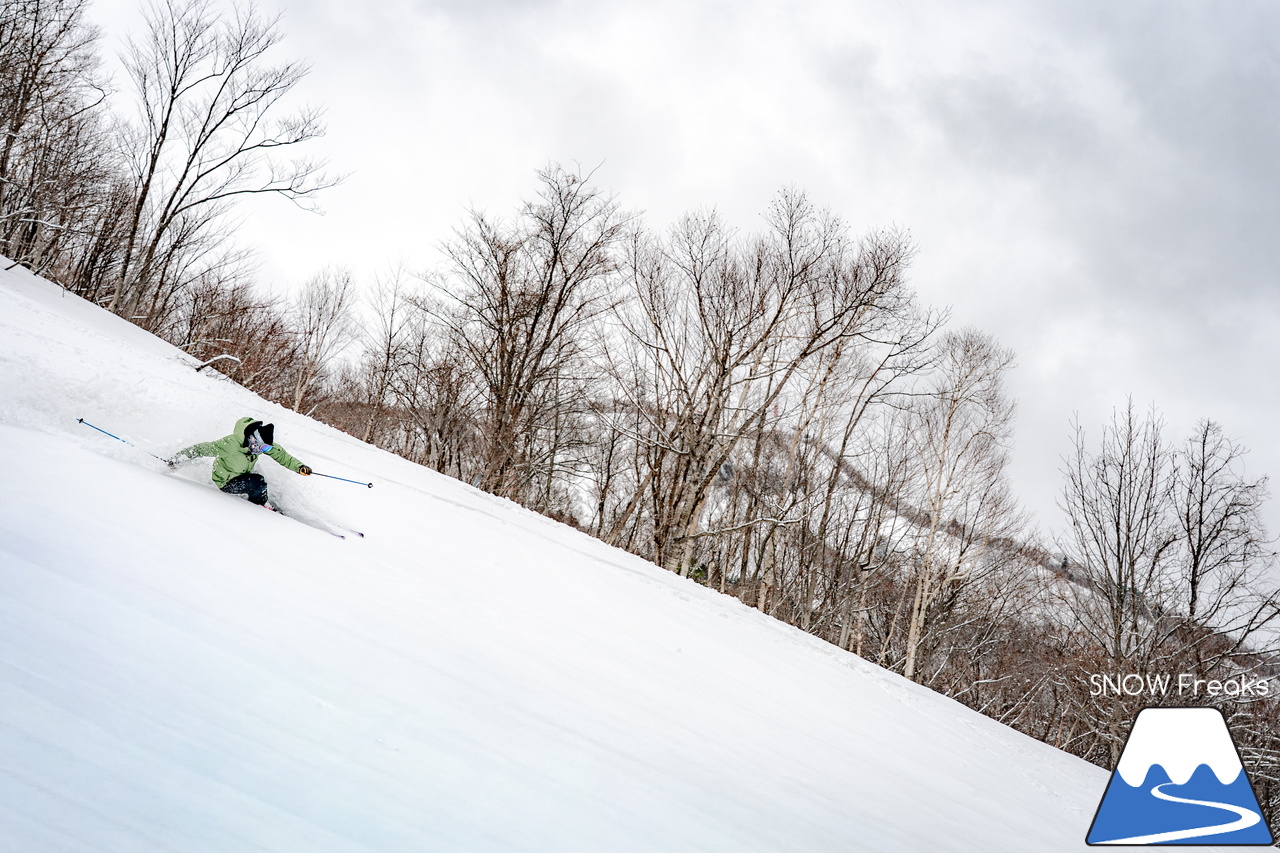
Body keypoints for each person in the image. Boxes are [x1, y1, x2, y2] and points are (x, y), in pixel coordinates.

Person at [170, 417, 311, 509]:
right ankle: (260, 506)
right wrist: (177, 459)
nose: (262, 451)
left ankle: (261, 500)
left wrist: (300, 467)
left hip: (242, 474)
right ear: (253, 439)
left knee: (259, 475)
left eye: (266, 449)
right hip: (226, 482)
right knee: (258, 481)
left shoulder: (260, 444)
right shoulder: (230, 445)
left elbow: (281, 456)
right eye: (262, 447)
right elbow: (200, 449)